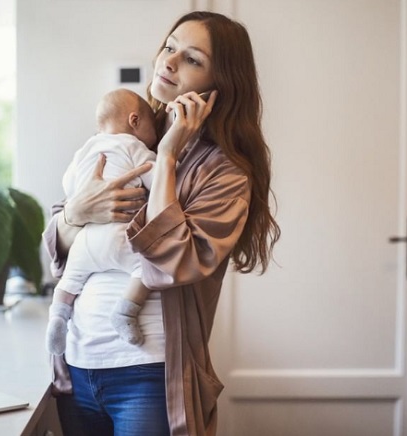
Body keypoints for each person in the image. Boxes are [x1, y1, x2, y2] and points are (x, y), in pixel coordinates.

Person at [42, 11, 280, 436]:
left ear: (219, 85)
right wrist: (77, 213)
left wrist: (168, 156)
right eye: (169, 47)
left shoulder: (224, 173)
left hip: (147, 375)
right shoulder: (130, 136)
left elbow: (174, 262)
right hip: (78, 366)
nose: (168, 62)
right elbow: (58, 244)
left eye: (192, 59)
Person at [46, 88, 158, 355]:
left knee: (69, 281)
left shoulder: (85, 150)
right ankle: (125, 312)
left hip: (85, 242)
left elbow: (69, 184)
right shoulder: (134, 146)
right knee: (148, 268)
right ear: (135, 121)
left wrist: (81, 203)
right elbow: (157, 180)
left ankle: (58, 318)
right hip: (119, 237)